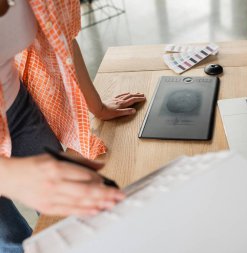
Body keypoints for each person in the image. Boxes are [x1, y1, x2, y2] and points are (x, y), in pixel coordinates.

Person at [0, 0, 146, 252]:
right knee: (12, 239)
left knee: (71, 210)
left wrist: (97, 107)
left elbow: (61, 39)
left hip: (16, 106)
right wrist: (9, 177)